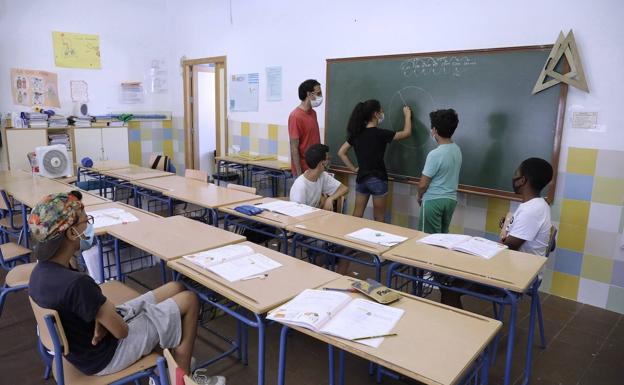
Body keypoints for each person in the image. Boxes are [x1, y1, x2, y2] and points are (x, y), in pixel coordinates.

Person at [26, 192, 213, 381]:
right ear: (72, 233)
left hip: (85, 347)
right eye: (85, 221)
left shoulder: (38, 273)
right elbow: (122, 331)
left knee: (176, 287)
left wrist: (102, 317)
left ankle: (171, 360)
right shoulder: (78, 284)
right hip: (107, 355)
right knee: (189, 300)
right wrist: (106, 318)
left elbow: (87, 309)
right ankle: (182, 378)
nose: (89, 226)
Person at [338, 100, 412, 222]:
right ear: (375, 114)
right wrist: (407, 115)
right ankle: (376, 241)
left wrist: (354, 168)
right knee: (379, 218)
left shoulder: (356, 134)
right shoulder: (381, 134)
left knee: (357, 214)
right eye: (381, 111)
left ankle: (351, 239)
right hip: (378, 179)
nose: (383, 113)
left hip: (361, 178)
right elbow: (407, 133)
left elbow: (341, 152)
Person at [418, 108, 462, 234]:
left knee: (427, 239)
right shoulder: (457, 150)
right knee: (442, 239)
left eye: (432, 128)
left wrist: (419, 196)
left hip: (433, 200)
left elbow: (423, 184)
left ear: (435, 130)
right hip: (450, 201)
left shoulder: (435, 154)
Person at [501, 157, 553, 255]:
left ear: (522, 180)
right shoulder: (538, 204)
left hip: (522, 268)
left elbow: (508, 246)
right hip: (519, 263)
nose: (513, 178)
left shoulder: (532, 210)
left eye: (516, 174)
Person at [289, 143, 348, 210]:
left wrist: (330, 199)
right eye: (328, 159)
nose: (330, 160)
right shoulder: (300, 186)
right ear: (321, 164)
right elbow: (297, 214)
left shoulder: (322, 176)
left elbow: (344, 189)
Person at [288, 79, 323, 177]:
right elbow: (294, 148)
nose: (321, 96)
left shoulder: (313, 113)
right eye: (318, 93)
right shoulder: (295, 116)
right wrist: (299, 175)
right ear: (309, 94)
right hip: (303, 170)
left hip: (315, 167)